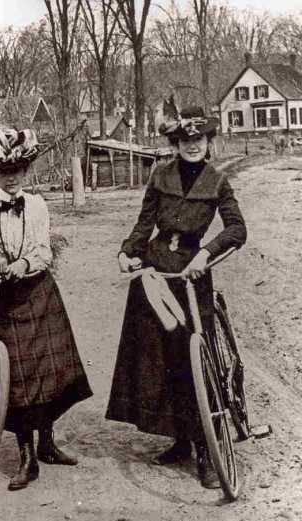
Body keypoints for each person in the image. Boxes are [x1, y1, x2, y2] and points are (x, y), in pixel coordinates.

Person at [105, 106, 247, 488]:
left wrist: (205, 253)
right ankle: (180, 440)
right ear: (176, 143)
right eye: (185, 140)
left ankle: (207, 449)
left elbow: (237, 229)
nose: (192, 146)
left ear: (208, 141)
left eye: (199, 139)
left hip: (192, 273)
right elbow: (144, 223)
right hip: (155, 273)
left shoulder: (217, 180)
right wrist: (127, 251)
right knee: (159, 357)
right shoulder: (160, 175)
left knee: (194, 358)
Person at [0, 129, 92, 491]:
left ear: (25, 171)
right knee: (18, 378)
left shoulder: (38, 205)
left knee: (49, 371)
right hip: (5, 299)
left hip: (39, 291)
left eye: (17, 170)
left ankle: (48, 444)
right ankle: (27, 457)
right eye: (3, 171)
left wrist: (24, 264)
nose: (11, 177)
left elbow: (43, 250)